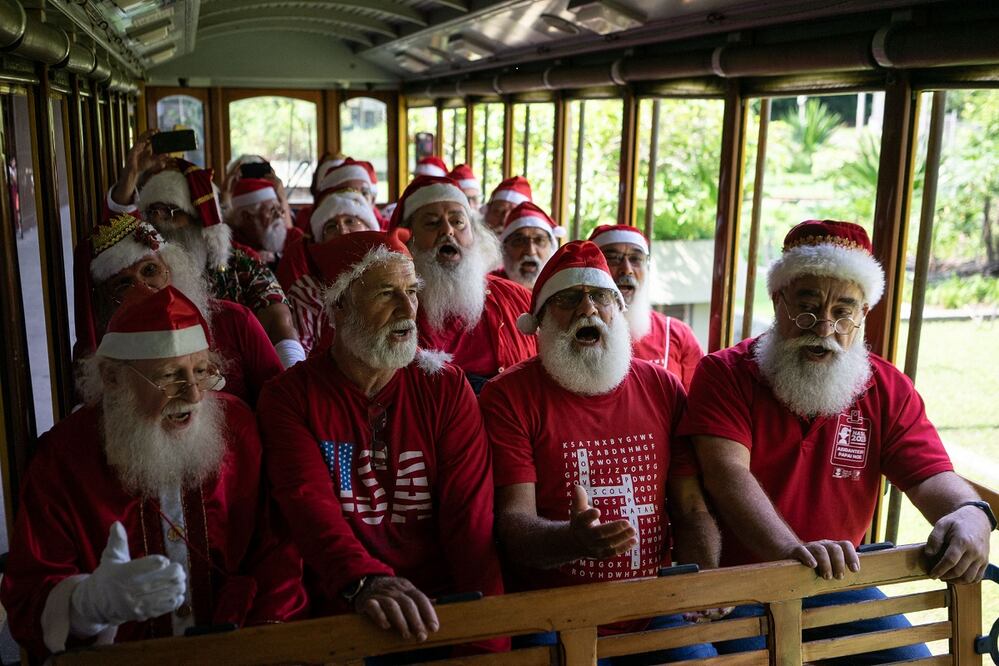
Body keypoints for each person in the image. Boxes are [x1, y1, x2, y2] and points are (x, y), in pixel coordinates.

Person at [679, 220, 995, 663]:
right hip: (743, 587)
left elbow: (929, 475)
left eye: (844, 311)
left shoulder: (887, 389)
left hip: (838, 586)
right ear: (777, 301)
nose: (824, 328)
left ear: (864, 313)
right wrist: (794, 553)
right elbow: (727, 474)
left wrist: (972, 513)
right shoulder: (725, 374)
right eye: (806, 307)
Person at [1, 287, 308, 660]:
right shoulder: (63, 459)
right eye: (169, 376)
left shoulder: (237, 427)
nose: (194, 396)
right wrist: (87, 604)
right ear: (113, 379)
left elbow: (278, 549)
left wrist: (260, 643)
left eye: (201, 371)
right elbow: (27, 597)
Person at [257, 230, 505, 652]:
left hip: (442, 612)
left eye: (411, 291)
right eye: (387, 293)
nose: (408, 309)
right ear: (337, 305)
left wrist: (490, 644)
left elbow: (471, 525)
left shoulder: (444, 387)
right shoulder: (289, 398)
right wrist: (364, 582)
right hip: (345, 611)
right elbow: (310, 510)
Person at [480, 241, 719, 664]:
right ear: (540, 322)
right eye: (568, 299)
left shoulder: (663, 388)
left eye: (601, 298)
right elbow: (512, 525)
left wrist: (701, 586)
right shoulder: (507, 397)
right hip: (550, 617)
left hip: (652, 609)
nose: (588, 310)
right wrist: (573, 541)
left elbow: (690, 507)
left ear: (618, 310)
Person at [107, 131, 305, 369]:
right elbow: (114, 233)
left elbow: (279, 322)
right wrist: (131, 174)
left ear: (200, 222)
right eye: (151, 212)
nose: (158, 222)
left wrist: (293, 376)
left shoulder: (241, 265)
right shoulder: (142, 269)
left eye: (171, 212)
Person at [74, 211, 282, 407]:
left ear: (171, 268)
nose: (143, 288)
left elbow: (280, 399)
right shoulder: (105, 360)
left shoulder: (235, 320)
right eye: (124, 284)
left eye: (150, 270)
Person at [389, 175, 536, 392]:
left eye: (458, 222)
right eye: (432, 223)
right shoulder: (389, 310)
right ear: (407, 239)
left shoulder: (518, 299)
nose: (448, 231)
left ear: (474, 233)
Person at [588, 224, 704, 390]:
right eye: (613, 258)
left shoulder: (677, 334)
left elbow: (699, 402)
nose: (626, 270)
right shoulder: (572, 333)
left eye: (636, 259)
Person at [278, 190, 381, 355]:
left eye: (350, 221)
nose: (341, 227)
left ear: (370, 229)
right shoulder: (307, 291)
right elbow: (301, 360)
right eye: (331, 226)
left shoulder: (392, 279)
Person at [226, 177, 303, 269]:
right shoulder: (231, 245)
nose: (279, 215)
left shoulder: (294, 238)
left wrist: (277, 259)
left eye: (279, 209)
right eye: (271, 210)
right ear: (247, 217)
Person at [494, 201, 563, 289]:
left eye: (539, 240)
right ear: (504, 248)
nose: (530, 251)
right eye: (519, 241)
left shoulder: (562, 289)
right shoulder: (491, 289)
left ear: (552, 247)